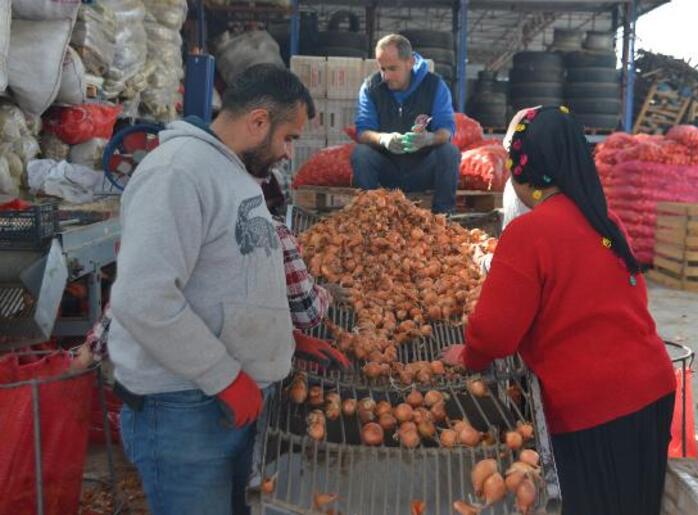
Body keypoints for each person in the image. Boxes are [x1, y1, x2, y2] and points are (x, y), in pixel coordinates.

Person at [106, 64, 347, 515]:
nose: (289, 154)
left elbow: (231, 275)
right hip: (183, 408)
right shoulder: (177, 172)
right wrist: (226, 377)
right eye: (288, 138)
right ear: (258, 121)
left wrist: (283, 337)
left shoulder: (234, 174)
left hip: (224, 400)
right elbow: (144, 300)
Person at [443, 106, 677, 515]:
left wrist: (469, 355)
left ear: (519, 170)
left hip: (596, 406)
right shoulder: (607, 224)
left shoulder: (529, 233)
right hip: (653, 390)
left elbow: (494, 334)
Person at [352, 34, 459, 213]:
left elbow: (447, 129)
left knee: (449, 152)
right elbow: (362, 131)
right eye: (382, 68)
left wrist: (429, 138)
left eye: (392, 68)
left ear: (409, 62)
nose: (385, 76)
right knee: (361, 154)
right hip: (387, 170)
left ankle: (444, 216)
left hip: (422, 169)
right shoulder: (370, 87)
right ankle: (369, 216)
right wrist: (383, 139)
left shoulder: (434, 86)